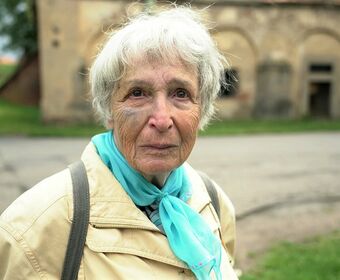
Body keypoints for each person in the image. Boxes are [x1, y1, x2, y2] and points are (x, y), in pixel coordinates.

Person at [0, 6, 238, 280]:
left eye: (180, 93)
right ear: (109, 109)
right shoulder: (33, 229)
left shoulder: (214, 202)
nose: (161, 119)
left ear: (202, 107)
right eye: (137, 93)